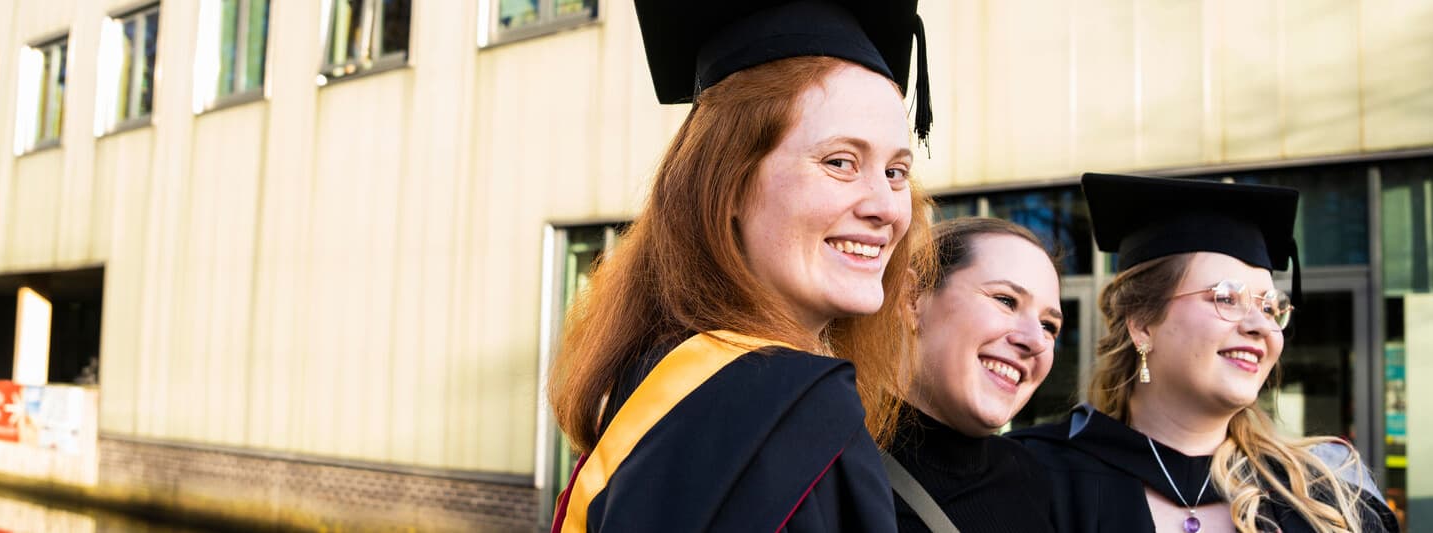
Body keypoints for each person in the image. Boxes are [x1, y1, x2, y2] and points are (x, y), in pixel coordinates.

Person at [546, 0, 936, 530]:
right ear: (725, 184)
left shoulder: (663, 388)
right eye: (840, 162)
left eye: (895, 171)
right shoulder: (795, 422)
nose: (887, 206)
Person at [1012, 173, 1398, 533]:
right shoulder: (1030, 479)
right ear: (1143, 324)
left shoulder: (1330, 498)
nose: (1261, 326)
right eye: (1226, 298)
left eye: (1269, 307)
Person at [887, 217, 1063, 533]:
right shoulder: (832, 471)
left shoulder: (1031, 477)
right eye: (1006, 300)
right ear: (912, 298)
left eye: (1050, 326)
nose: (1036, 341)